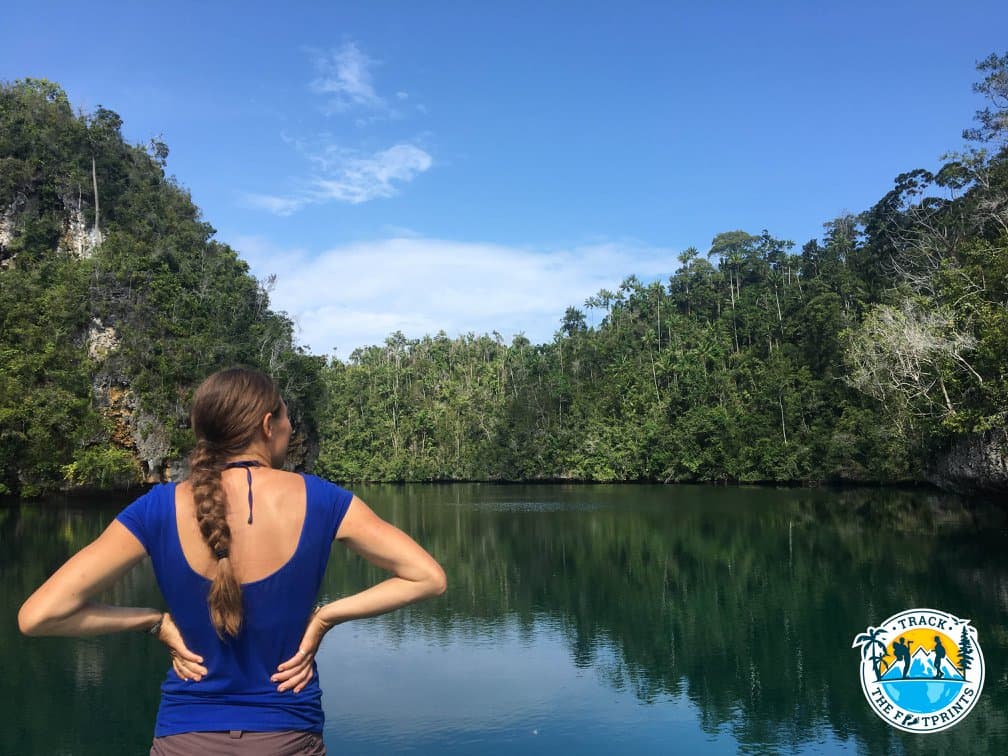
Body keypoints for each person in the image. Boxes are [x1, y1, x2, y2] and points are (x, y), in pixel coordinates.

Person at [18, 367, 447, 755]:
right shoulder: (322, 500)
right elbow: (427, 578)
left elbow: (39, 616)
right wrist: (325, 617)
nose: (290, 426)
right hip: (287, 734)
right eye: (285, 416)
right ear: (266, 425)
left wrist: (153, 621)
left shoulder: (157, 508)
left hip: (183, 736)